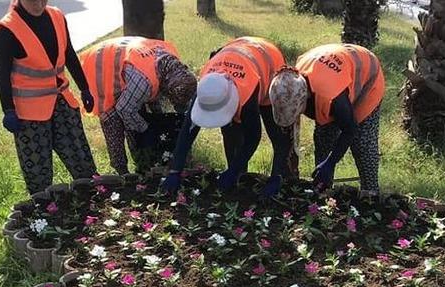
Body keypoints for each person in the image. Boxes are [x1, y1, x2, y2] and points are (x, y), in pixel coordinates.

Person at [161, 37, 292, 195]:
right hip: (238, 53)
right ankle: (239, 177)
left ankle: (279, 177)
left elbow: (253, 137)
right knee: (230, 132)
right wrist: (175, 170)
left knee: (278, 133)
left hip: (269, 63)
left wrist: (233, 169)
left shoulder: (247, 95)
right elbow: (187, 130)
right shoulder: (207, 90)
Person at [0, 0, 97, 194]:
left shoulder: (57, 16)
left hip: (62, 102)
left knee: (82, 163)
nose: (39, 4)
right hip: (29, 114)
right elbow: (3, 74)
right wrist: (8, 109)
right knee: (38, 175)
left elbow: (69, 54)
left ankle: (92, 204)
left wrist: (84, 88)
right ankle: (43, 214)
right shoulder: (7, 28)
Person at [269, 43, 385, 197]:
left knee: (362, 143)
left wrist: (331, 162)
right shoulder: (290, 81)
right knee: (323, 137)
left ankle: (370, 193)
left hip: (367, 79)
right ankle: (323, 188)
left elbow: (350, 129)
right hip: (338, 74)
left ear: (307, 98)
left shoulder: (331, 95)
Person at [81, 36, 196, 175]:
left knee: (137, 119)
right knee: (114, 123)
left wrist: (156, 119)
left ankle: (141, 163)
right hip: (101, 66)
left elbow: (154, 94)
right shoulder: (143, 81)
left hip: (129, 63)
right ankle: (122, 171)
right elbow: (124, 109)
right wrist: (146, 129)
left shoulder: (173, 66)